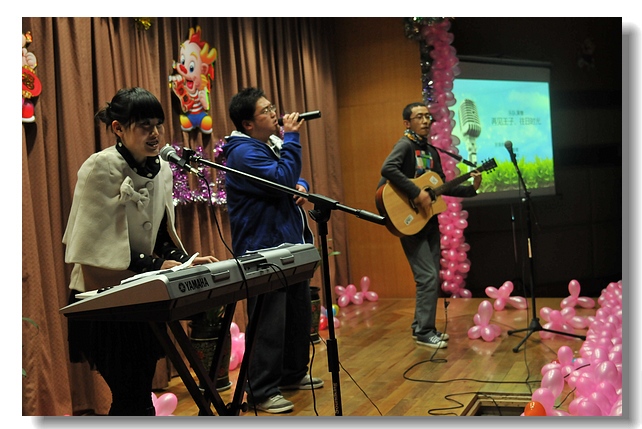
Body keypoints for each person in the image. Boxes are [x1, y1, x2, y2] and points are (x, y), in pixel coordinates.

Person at [62, 87, 218, 415]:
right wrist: (159, 265)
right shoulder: (101, 166)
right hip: (104, 299)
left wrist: (186, 261)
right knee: (131, 396)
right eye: (145, 125)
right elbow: (97, 245)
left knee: (137, 396)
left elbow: (161, 235)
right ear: (118, 128)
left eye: (158, 124)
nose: (155, 133)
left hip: (142, 296)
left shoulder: (162, 168)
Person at [223, 87, 322, 414]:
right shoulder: (242, 153)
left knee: (296, 314)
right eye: (266, 110)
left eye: (272, 107)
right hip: (262, 249)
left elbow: (292, 178)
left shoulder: (267, 145)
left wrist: (303, 186)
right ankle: (262, 391)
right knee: (269, 322)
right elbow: (280, 179)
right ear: (248, 124)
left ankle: (292, 374)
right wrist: (293, 137)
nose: (275, 113)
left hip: (287, 244)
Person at [377, 102, 481, 349]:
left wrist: (472, 188)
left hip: (428, 219)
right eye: (419, 117)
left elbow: (440, 186)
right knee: (428, 276)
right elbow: (387, 169)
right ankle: (425, 332)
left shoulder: (431, 151)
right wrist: (416, 193)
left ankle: (421, 327)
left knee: (430, 277)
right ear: (407, 123)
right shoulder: (405, 145)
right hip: (408, 219)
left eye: (428, 117)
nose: (425, 121)